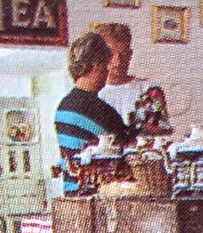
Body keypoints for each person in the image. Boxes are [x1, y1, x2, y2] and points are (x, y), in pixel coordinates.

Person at [55, 32, 129, 194]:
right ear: (96, 65)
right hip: (97, 196)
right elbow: (127, 150)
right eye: (106, 66)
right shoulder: (100, 110)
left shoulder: (63, 105)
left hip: (71, 193)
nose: (107, 73)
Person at [94, 23, 150, 124]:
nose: (118, 61)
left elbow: (160, 130)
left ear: (130, 54)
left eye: (123, 53)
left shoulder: (147, 90)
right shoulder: (91, 92)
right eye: (111, 54)